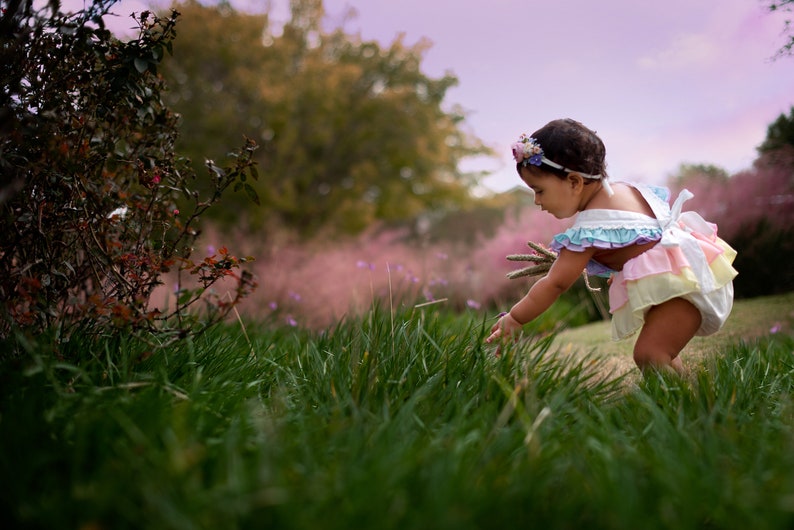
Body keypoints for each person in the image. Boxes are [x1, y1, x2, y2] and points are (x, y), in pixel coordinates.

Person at [485, 118, 738, 374]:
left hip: (684, 286)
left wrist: (516, 318)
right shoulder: (624, 191)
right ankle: (687, 399)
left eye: (539, 191)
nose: (537, 201)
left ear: (574, 182)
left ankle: (683, 406)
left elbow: (556, 283)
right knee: (662, 353)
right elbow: (643, 243)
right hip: (690, 272)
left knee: (650, 354)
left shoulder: (590, 228)